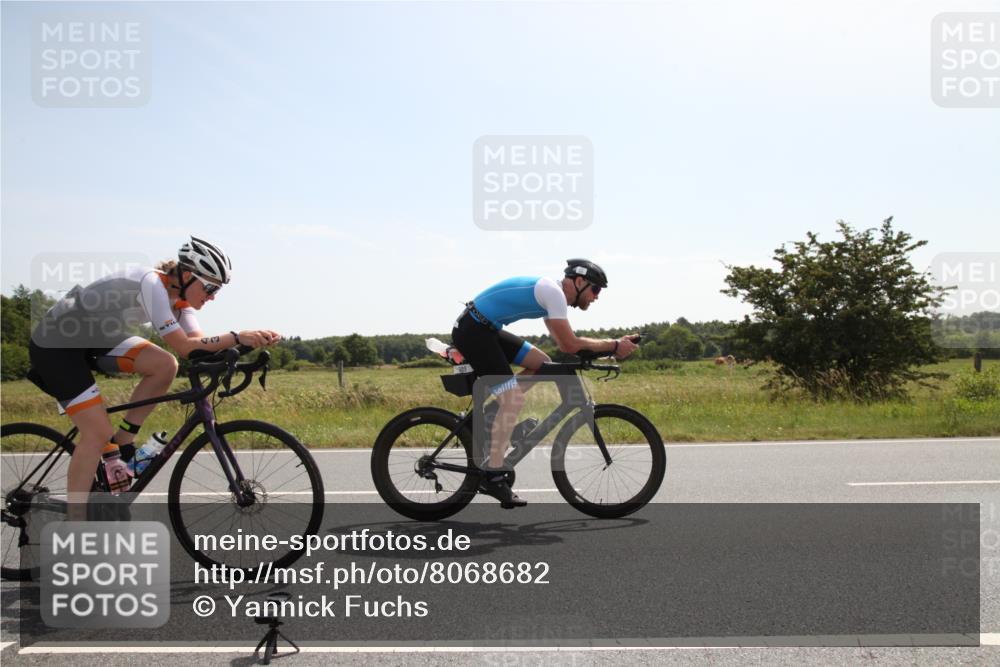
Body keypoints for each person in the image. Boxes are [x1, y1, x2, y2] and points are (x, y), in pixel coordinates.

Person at [28, 237, 281, 519]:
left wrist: (242, 349)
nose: (212, 297)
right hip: (57, 341)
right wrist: (236, 335)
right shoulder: (152, 284)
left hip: (95, 337)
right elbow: (185, 345)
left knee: (164, 365)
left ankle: (123, 444)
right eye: (210, 287)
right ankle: (76, 526)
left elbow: (197, 344)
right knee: (96, 433)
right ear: (187, 276)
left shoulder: (180, 302)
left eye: (216, 290)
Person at [451, 259, 639, 508]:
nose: (596, 297)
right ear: (580, 282)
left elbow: (565, 345)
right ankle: (493, 475)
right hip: (474, 330)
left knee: (542, 362)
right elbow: (571, 345)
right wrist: (613, 345)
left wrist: (608, 348)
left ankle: (491, 416)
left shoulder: (552, 296)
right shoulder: (554, 294)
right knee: (514, 399)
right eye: (595, 290)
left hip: (485, 328)